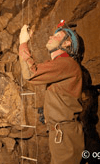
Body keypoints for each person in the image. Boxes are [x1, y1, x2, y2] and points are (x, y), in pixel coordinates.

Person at [18, 22, 84, 164]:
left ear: (66, 43)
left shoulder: (67, 63)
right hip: (62, 133)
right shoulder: (62, 66)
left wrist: (23, 43)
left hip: (64, 134)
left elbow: (30, 72)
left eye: (57, 35)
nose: (51, 37)